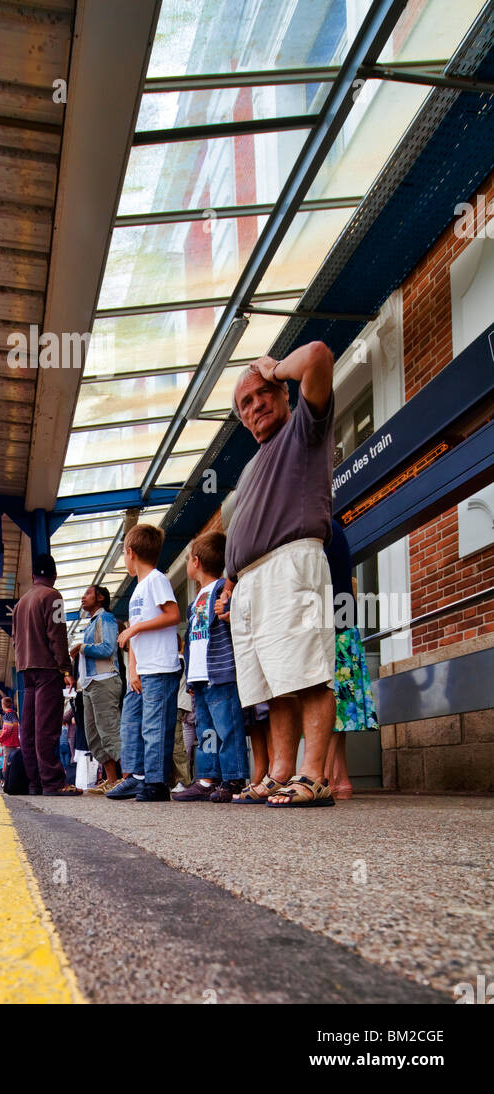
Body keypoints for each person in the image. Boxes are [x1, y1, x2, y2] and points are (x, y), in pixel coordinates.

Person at [217, 342, 338, 808]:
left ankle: (314, 775)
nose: (255, 406)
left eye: (262, 393)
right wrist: (231, 582)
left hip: (291, 565)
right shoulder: (251, 466)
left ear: (284, 392)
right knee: (273, 687)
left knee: (307, 675)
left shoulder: (305, 428)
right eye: (244, 404)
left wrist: (276, 366)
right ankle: (281, 772)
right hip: (250, 583)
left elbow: (320, 356)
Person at [108, 524, 181, 803]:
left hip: (160, 667)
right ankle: (137, 776)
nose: (125, 561)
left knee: (154, 726)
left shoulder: (156, 580)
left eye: (124, 556)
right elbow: (135, 631)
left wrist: (135, 630)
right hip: (142, 669)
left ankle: (156, 781)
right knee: (131, 724)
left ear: (131, 553)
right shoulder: (138, 589)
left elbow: (172, 615)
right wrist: (133, 669)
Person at [173, 531, 247, 803]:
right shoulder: (194, 603)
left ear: (195, 561)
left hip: (221, 672)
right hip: (200, 678)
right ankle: (207, 778)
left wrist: (228, 598)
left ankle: (234, 778)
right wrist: (190, 679)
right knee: (206, 730)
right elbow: (191, 644)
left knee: (228, 728)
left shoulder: (221, 590)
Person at [11, 553, 82, 796]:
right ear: (54, 575)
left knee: (29, 729)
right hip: (47, 670)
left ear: (33, 576)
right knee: (47, 728)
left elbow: (15, 641)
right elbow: (58, 635)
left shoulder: (20, 604)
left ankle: (35, 783)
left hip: (26, 671)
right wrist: (66, 668)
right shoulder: (54, 596)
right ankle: (53, 782)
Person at [324, 517, 379, 799]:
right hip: (343, 628)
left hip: (328, 629)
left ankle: (327, 777)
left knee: (326, 702)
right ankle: (339, 777)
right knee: (339, 705)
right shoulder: (335, 530)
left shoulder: (321, 530)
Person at [69, 585, 122, 795]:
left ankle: (128, 778)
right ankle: (112, 779)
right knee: (94, 735)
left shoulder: (106, 618)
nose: (83, 597)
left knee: (109, 731)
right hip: (90, 685)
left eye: (88, 594)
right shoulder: (91, 623)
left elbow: (108, 648)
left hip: (104, 680)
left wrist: (83, 647)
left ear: (100, 598)